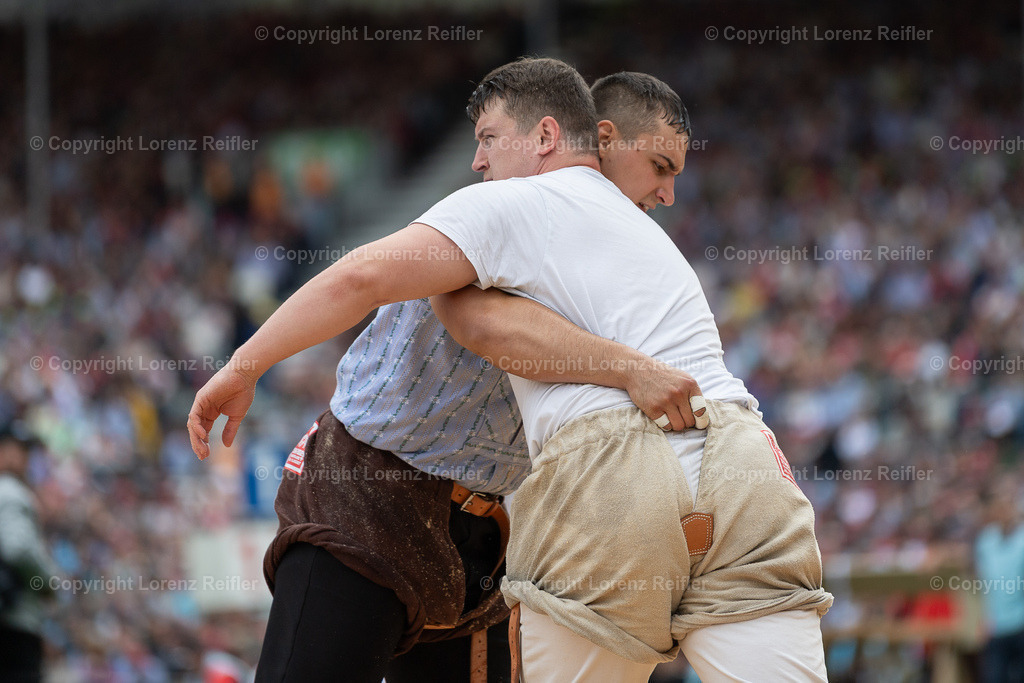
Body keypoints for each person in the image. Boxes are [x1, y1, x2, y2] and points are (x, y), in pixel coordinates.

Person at [189, 62, 704, 683]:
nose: (477, 160)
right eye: (661, 169)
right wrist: (245, 365)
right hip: (373, 489)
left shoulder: (617, 251)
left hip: (482, 533)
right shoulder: (504, 208)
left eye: (487, 139)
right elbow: (369, 280)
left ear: (542, 137)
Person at [0, 424, 55, 683]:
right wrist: (48, 579)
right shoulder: (9, 490)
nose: (22, 458)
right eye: (15, 449)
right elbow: (18, 549)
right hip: (13, 621)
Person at [975, 494, 1024, 683]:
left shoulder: (1021, 540)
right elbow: (983, 584)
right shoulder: (986, 542)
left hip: (1020, 623)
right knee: (995, 676)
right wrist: (982, 617)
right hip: (996, 625)